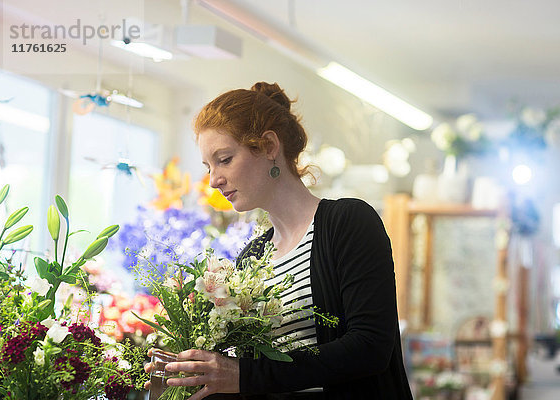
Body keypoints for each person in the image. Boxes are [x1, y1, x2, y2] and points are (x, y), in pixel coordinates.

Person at [144, 82, 413, 400]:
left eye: (225, 159)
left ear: (269, 146)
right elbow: (262, 375)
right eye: (208, 166)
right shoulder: (251, 257)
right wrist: (197, 374)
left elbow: (370, 347)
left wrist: (243, 375)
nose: (213, 179)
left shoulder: (347, 223)